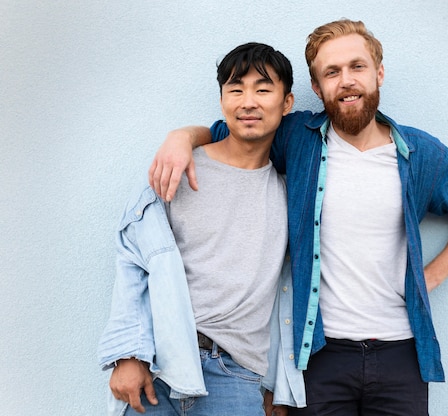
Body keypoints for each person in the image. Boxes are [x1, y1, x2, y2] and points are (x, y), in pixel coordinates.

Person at [149, 19, 448, 416]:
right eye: (332, 72)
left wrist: (431, 276)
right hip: (319, 352)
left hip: (402, 351)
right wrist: (180, 138)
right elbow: (232, 132)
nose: (346, 80)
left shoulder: (418, 153)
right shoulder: (298, 139)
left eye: (357, 67)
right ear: (317, 88)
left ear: (378, 73)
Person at [97, 42, 305, 416]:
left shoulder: (291, 191)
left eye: (262, 89)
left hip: (236, 375)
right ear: (222, 99)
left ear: (286, 102)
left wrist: (279, 384)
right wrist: (126, 354)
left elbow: (287, 292)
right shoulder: (177, 169)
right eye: (235, 89)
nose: (248, 101)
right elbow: (132, 258)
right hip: (159, 368)